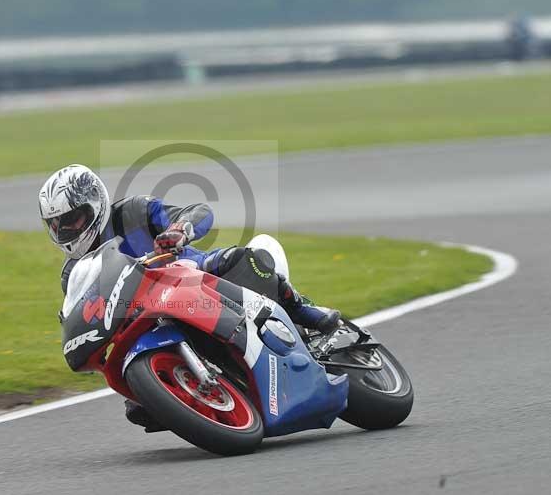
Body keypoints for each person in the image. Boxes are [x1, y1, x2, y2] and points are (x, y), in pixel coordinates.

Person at [39, 164, 342, 431]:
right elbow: (93, 313)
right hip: (148, 320)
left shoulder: (132, 212)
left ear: (96, 204)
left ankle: (302, 310)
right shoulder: (74, 273)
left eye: (74, 219)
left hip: (193, 273)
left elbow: (198, 212)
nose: (66, 230)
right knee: (138, 408)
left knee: (239, 259)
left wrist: (179, 230)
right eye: (57, 225)